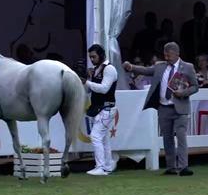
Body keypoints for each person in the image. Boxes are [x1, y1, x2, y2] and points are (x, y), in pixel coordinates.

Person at [123, 42, 198, 176]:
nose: (166, 57)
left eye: (168, 54)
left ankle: (183, 167)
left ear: (176, 53)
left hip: (180, 107)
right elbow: (146, 71)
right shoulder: (160, 66)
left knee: (181, 137)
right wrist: (131, 67)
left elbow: (195, 86)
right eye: (164, 54)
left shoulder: (187, 67)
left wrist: (183, 93)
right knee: (167, 138)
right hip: (164, 108)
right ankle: (171, 167)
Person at [80, 44, 118, 176]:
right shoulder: (97, 69)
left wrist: (87, 82)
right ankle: (107, 166)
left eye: (94, 56)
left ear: (101, 55)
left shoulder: (109, 69)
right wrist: (88, 79)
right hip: (101, 108)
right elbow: (89, 90)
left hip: (106, 108)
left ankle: (101, 166)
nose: (92, 59)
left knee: (96, 136)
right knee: (104, 138)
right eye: (90, 57)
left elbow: (104, 88)